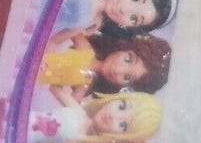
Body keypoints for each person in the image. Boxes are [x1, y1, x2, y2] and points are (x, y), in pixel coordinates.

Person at [39, 32, 172, 100]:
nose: (117, 70)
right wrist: (50, 46)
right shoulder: (86, 50)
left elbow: (69, 107)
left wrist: (56, 85)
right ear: (125, 48)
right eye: (127, 59)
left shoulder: (84, 85)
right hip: (38, 51)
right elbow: (72, 29)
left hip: (35, 76)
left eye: (127, 77)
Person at [28, 92, 162, 143]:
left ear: (122, 138)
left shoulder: (79, 141)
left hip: (26, 138)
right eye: (121, 106)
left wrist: (38, 142)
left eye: (123, 125)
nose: (113, 116)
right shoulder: (78, 110)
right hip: (26, 115)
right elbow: (56, 89)